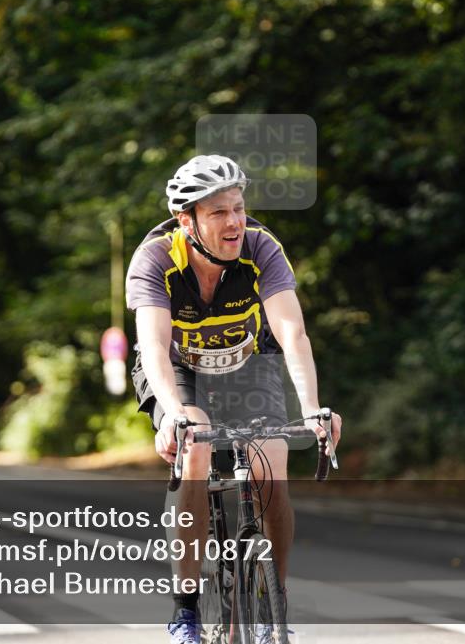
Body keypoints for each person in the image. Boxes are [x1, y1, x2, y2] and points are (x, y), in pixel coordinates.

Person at [126, 154, 342, 643]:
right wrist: (174, 414)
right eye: (219, 212)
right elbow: (154, 347)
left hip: (248, 363)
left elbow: (292, 334)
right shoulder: (155, 259)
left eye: (239, 208)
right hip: (178, 369)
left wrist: (312, 408)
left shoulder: (262, 247)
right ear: (188, 221)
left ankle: (273, 606)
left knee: (271, 463)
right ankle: (185, 611)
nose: (234, 222)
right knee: (195, 448)